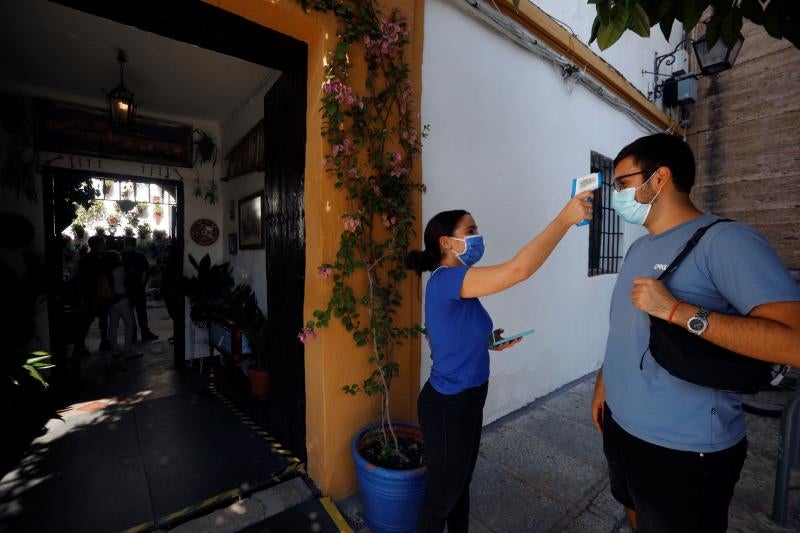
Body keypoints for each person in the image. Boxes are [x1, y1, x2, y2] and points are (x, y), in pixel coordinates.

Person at [591, 133, 800, 533]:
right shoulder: (638, 249)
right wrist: (605, 385)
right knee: (633, 510)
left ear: (659, 178)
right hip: (622, 427)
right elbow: (625, 330)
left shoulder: (727, 242)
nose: (616, 194)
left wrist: (677, 311)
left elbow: (793, 342)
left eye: (622, 183)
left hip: (683, 448)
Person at [406, 192, 593, 533]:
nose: (478, 236)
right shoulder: (449, 280)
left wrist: (488, 342)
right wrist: (565, 219)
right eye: (471, 229)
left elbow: (443, 337)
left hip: (468, 398)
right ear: (447, 242)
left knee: (459, 488)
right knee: (440, 500)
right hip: (449, 404)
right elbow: (519, 270)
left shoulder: (458, 285)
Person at [103, 250, 142, 359]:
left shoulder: (105, 270)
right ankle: (128, 350)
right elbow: (122, 287)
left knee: (113, 325)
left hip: (110, 301)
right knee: (130, 325)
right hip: (121, 300)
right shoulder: (120, 269)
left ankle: (115, 349)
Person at [77, 235, 111, 354]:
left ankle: (103, 341)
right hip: (93, 293)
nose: (105, 246)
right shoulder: (93, 259)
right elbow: (86, 278)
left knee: (101, 319)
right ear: (96, 245)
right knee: (89, 319)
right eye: (103, 244)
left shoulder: (88, 259)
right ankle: (81, 345)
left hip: (96, 293)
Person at [122, 237, 158, 341]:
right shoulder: (124, 255)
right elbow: (146, 272)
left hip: (135, 288)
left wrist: (143, 285)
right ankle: (138, 333)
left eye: (128, 243)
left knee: (138, 312)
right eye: (126, 243)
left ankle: (140, 333)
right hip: (130, 289)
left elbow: (146, 272)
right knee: (134, 313)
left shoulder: (132, 255)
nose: (127, 245)